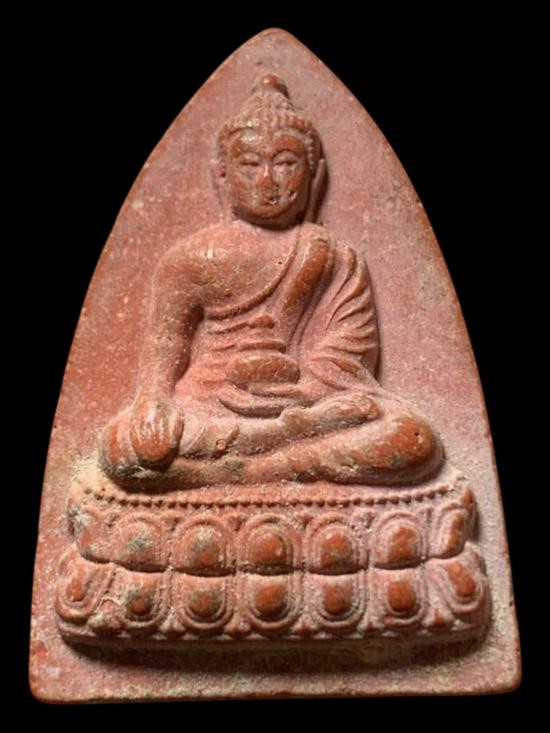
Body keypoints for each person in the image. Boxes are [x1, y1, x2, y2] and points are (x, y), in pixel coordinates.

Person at [101, 74, 443, 491]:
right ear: (222, 175)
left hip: (309, 404)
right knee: (122, 448)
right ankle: (274, 458)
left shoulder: (336, 256)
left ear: (314, 175)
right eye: (249, 165)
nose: (267, 181)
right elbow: (165, 346)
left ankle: (242, 473)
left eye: (285, 164)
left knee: (411, 437)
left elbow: (349, 358)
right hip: (210, 408)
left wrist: (301, 392)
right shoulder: (189, 258)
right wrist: (154, 403)